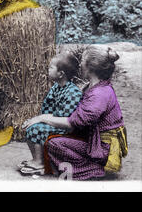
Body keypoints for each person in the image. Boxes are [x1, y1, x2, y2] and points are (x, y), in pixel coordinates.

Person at [25, 46, 127, 180]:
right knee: (53, 139)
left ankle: (95, 169)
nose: (80, 64)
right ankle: (56, 164)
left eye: (83, 61)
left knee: (54, 143)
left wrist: (43, 118)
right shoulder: (93, 86)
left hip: (103, 148)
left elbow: (75, 121)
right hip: (93, 139)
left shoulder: (100, 93)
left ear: (90, 67)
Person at [19, 52, 83, 175]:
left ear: (61, 74)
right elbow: (48, 108)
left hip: (66, 127)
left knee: (36, 129)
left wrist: (41, 120)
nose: (48, 69)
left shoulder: (72, 92)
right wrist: (36, 119)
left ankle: (39, 163)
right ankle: (37, 159)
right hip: (54, 121)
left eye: (51, 67)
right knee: (30, 127)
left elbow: (67, 119)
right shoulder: (56, 87)